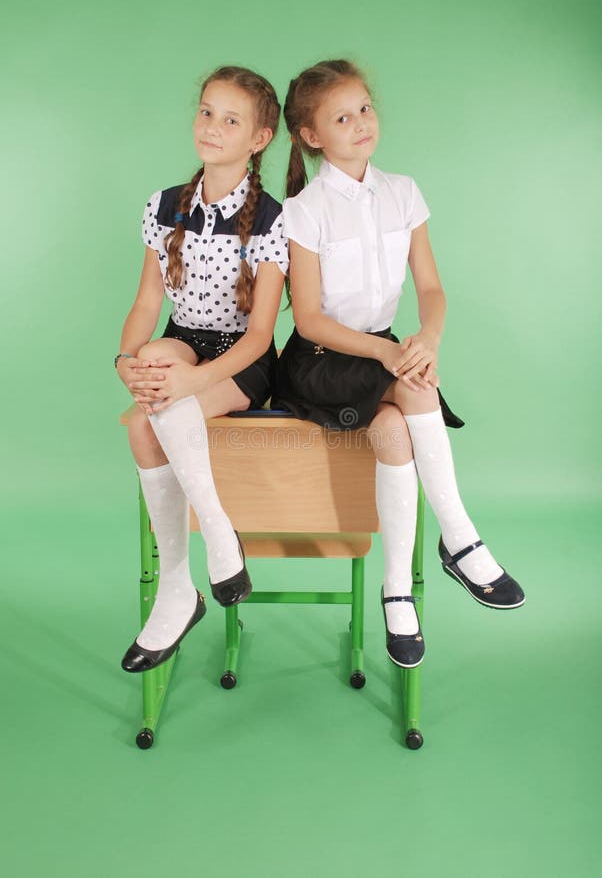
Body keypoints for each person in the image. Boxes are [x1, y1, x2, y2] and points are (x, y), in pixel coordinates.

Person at [272, 59, 524, 669]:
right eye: (341, 117)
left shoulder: (403, 191)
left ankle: (396, 591)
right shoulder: (304, 210)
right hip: (320, 359)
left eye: (365, 108)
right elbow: (307, 320)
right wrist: (394, 354)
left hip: (388, 351)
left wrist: (426, 340)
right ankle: (460, 537)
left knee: (393, 429)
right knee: (413, 390)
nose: (360, 123)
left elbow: (432, 289)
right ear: (311, 136)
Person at [116, 66, 287, 673]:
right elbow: (145, 306)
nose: (212, 127)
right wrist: (126, 361)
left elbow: (263, 334)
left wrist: (190, 383)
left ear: (259, 139)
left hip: (244, 357)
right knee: (157, 358)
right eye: (206, 112)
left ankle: (191, 569)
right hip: (186, 341)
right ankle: (196, 568)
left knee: (143, 426)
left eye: (230, 120)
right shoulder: (164, 207)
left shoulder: (271, 217)